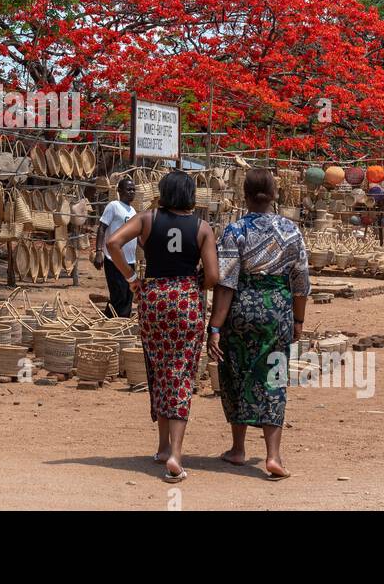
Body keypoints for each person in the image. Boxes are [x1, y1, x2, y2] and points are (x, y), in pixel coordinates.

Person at [106, 170, 219, 483]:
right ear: (191, 196)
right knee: (181, 373)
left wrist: (131, 279)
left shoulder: (147, 219)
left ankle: (160, 446)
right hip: (186, 301)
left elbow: (113, 242)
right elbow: (212, 276)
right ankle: (175, 454)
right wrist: (194, 280)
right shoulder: (202, 227)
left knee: (158, 368)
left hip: (153, 298)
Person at [208, 168, 309, 480]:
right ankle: (273, 455)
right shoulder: (291, 231)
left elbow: (225, 283)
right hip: (277, 311)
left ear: (245, 195)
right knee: (273, 379)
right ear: (274, 195)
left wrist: (214, 327)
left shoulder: (234, 231)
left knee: (236, 374)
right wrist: (298, 320)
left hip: (240, 311)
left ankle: (238, 449)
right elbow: (301, 282)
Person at [93, 177, 137, 318]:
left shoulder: (133, 211)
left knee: (128, 294)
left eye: (133, 190)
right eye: (128, 189)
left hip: (130, 260)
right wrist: (99, 251)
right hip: (113, 259)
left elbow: (137, 236)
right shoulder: (113, 206)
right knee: (119, 294)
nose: (132, 192)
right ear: (119, 191)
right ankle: (116, 326)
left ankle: (113, 323)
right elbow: (102, 228)